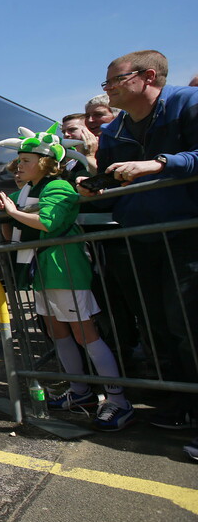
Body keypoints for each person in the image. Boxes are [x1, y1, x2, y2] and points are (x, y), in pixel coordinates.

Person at [83, 49, 198, 430]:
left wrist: (162, 162)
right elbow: (117, 181)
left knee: (188, 324)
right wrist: (95, 187)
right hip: (137, 239)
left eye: (115, 80)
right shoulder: (115, 131)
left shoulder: (187, 103)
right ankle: (174, 403)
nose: (108, 89)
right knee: (155, 325)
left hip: (186, 237)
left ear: (147, 77)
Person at [0, 127, 134, 431]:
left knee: (85, 333)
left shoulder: (58, 186)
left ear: (45, 162)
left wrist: (11, 212)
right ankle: (81, 392)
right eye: (18, 160)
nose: (19, 165)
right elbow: (11, 228)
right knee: (57, 331)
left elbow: (48, 222)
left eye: (26, 160)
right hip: (42, 269)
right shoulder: (26, 191)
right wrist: (2, 211)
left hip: (64, 266)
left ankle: (117, 399)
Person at [60, 113, 98, 179]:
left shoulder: (104, 153)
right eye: (63, 132)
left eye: (72, 130)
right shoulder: (66, 162)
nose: (66, 134)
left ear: (88, 129)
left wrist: (90, 156)